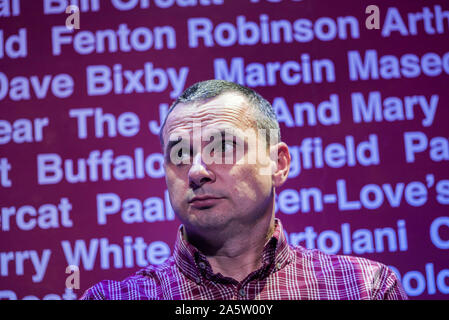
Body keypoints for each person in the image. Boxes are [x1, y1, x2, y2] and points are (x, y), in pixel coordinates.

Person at [80, 80, 408, 300]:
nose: (196, 171)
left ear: (277, 164)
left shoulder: (362, 288)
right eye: (179, 153)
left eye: (222, 147)